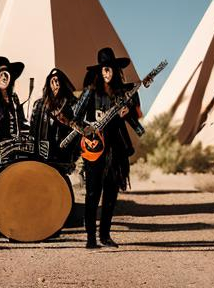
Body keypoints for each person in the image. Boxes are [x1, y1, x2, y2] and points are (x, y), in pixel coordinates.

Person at [75, 47, 143, 249]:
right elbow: (74, 117)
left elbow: (137, 124)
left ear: (115, 71)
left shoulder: (123, 93)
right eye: (104, 69)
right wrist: (87, 130)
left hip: (116, 150)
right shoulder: (90, 93)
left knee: (111, 194)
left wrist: (128, 112)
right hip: (94, 150)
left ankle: (105, 236)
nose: (107, 73)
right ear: (99, 71)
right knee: (92, 194)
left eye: (110, 69)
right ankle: (90, 238)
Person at [30, 68, 83, 173]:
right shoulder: (40, 105)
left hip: (63, 156)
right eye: (53, 80)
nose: (56, 83)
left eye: (58, 80)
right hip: (44, 155)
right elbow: (33, 131)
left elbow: (79, 131)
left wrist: (74, 156)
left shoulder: (71, 104)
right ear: (49, 83)